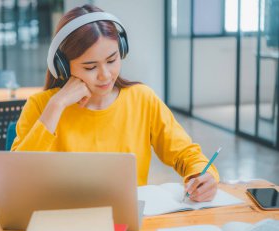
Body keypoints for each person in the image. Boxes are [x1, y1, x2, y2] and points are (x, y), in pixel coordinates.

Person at [12, 4, 219, 202]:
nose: (105, 75)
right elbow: (17, 179)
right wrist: (57, 105)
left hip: (127, 221)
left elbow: (185, 152)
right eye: (90, 67)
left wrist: (202, 174)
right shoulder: (43, 106)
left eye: (112, 60)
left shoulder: (142, 99)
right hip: (60, 220)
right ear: (64, 68)